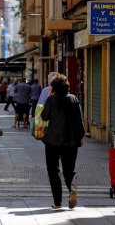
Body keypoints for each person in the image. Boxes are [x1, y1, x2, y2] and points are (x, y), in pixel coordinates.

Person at [41, 73, 85, 209]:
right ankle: (72, 189)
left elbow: (44, 116)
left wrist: (49, 98)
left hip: (52, 140)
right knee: (69, 170)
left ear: (53, 87)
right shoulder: (73, 99)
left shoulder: (51, 100)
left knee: (53, 170)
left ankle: (57, 202)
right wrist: (81, 136)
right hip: (71, 140)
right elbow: (80, 120)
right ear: (67, 86)